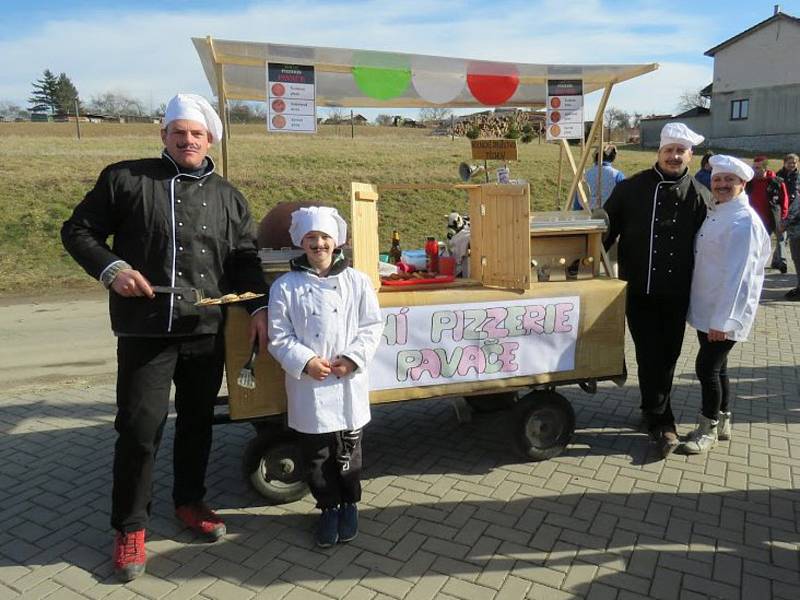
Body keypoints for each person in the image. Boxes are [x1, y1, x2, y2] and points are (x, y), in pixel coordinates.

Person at [61, 93, 269, 582]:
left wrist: (258, 306)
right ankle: (130, 526)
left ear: (210, 139)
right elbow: (78, 231)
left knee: (197, 422)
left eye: (196, 133)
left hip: (206, 329)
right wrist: (112, 269)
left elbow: (244, 261)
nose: (187, 139)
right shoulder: (125, 179)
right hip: (146, 329)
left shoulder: (229, 196)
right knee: (139, 427)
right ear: (163, 136)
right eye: (178, 131)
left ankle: (190, 502)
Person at [268, 206, 383, 548]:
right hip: (310, 388)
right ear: (301, 242)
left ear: (337, 242)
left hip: (348, 383)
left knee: (349, 454)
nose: (319, 244)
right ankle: (328, 507)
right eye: (311, 238)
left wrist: (352, 358)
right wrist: (304, 362)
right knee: (317, 457)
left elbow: (372, 326)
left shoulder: (357, 281)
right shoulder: (285, 286)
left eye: (324, 238)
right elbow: (279, 335)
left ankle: (349, 503)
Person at [603, 122, 711, 457]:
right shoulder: (631, 189)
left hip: (678, 293)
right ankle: (663, 423)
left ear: (690, 156)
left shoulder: (701, 197)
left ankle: (651, 406)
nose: (674, 156)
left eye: (681, 151)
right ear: (659, 152)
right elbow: (603, 232)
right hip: (639, 291)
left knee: (668, 356)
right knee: (649, 355)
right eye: (669, 150)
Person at [684, 155, 770, 453]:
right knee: (718, 369)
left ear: (742, 183)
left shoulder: (743, 221)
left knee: (706, 368)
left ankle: (706, 429)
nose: (721, 184)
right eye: (718, 179)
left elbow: (739, 276)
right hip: (708, 307)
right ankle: (723, 421)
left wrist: (723, 320)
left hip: (724, 313)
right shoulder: (719, 211)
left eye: (728, 180)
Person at [746, 155, 789, 273]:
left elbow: (784, 200)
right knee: (759, 243)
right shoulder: (749, 183)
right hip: (757, 219)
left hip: (774, 216)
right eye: (754, 167)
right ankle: (757, 264)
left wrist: (784, 216)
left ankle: (782, 262)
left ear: (765, 169)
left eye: (757, 168)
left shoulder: (776, 182)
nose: (754, 170)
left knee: (780, 239)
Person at [571, 144, 625, 210]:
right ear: (613, 158)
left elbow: (578, 203)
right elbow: (625, 200)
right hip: (611, 216)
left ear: (595, 158)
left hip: (588, 216)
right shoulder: (618, 175)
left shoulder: (584, 176)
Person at [777, 153, 800, 299]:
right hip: (788, 221)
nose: (792, 165)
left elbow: (797, 206)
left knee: (798, 257)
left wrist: (785, 223)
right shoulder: (778, 177)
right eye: (789, 162)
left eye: (795, 162)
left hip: (796, 226)